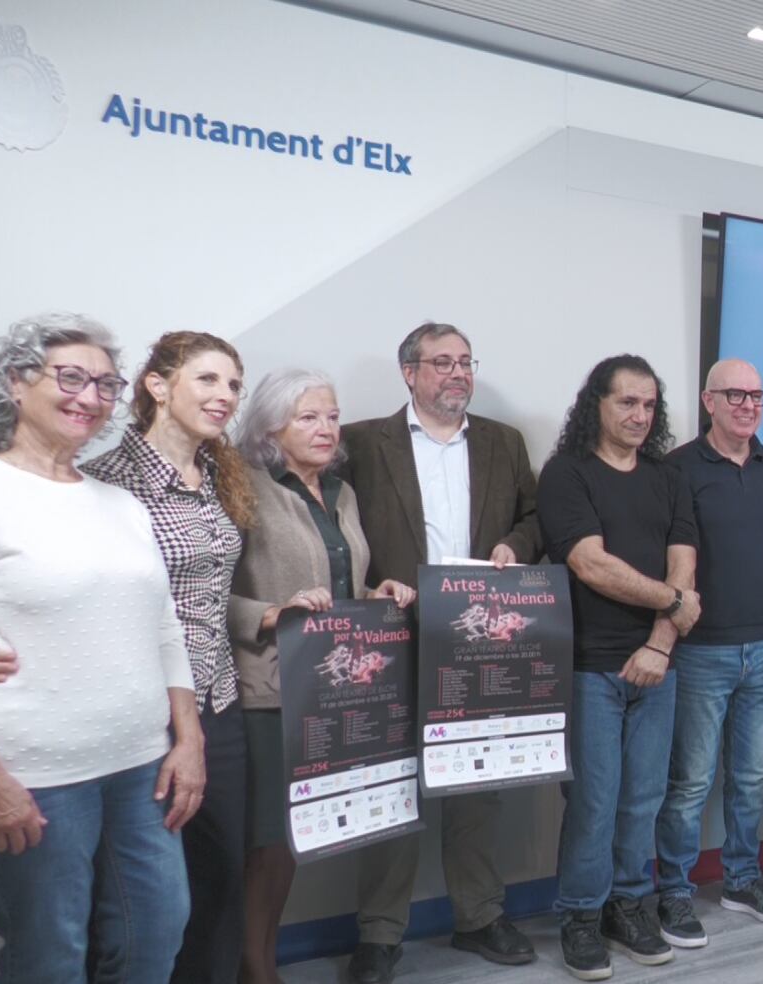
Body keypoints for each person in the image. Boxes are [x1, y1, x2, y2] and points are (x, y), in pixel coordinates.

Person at [0, 330, 256, 983]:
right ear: (15, 383)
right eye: (70, 377)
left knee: (157, 932)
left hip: (140, 766)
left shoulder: (118, 504)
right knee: (52, 953)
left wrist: (188, 740)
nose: (90, 397)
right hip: (33, 772)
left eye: (103, 384)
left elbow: (163, 626)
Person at [339, 322, 542, 982]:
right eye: (442, 362)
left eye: (465, 362)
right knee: (391, 786)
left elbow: (535, 517)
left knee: (477, 784)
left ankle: (479, 916)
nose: (458, 373)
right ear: (409, 372)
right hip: (390, 636)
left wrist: (515, 545)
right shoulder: (362, 443)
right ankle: (379, 934)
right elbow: (332, 529)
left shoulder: (504, 442)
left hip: (478, 639)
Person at [228, 369, 416, 984]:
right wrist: (269, 613)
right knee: (265, 842)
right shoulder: (242, 486)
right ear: (270, 427)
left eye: (332, 416)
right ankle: (255, 969)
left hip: (330, 689)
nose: (326, 428)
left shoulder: (341, 492)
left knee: (292, 837)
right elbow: (202, 592)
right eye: (308, 417)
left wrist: (375, 594)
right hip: (267, 689)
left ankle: (261, 962)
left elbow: (338, 587)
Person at [538, 354, 699, 981]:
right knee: (594, 801)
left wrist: (660, 641)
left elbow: (683, 561)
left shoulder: (667, 477)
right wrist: (676, 604)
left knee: (643, 799)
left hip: (658, 665)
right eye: (627, 402)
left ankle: (627, 906)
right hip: (589, 668)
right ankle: (581, 914)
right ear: (596, 404)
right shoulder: (566, 473)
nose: (640, 415)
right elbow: (590, 564)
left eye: (649, 405)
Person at [653, 358, 763, 949]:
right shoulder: (678, 469)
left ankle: (741, 879)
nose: (747, 405)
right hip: (700, 652)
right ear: (708, 401)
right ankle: (674, 891)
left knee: (751, 776)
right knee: (690, 782)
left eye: (756, 396)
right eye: (734, 395)